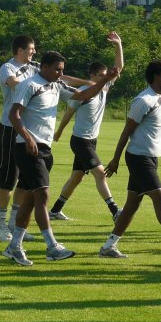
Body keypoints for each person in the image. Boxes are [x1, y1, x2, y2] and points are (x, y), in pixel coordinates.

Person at [3, 51, 120, 266]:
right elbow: (14, 114)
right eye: (57, 69)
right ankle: (52, 246)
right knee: (43, 195)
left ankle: (14, 246)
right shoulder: (29, 85)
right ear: (44, 67)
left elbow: (84, 95)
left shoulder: (57, 85)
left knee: (29, 200)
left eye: (62, 70)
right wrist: (28, 138)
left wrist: (104, 79)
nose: (61, 73)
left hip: (44, 149)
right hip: (29, 148)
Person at [100, 33, 161, 262]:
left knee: (132, 205)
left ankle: (108, 246)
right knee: (160, 199)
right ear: (156, 77)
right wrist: (115, 159)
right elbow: (126, 131)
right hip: (138, 158)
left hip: (149, 157)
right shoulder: (143, 100)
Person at [0, 35, 88, 242]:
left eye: (34, 49)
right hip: (11, 128)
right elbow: (15, 84)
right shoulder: (7, 68)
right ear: (19, 50)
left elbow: (61, 78)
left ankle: (14, 223)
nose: (33, 52)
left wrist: (90, 83)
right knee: (8, 178)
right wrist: (36, 83)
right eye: (30, 49)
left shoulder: (36, 67)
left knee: (24, 182)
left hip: (31, 132)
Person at [49, 32, 125, 222]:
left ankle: (55, 211)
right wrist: (59, 132)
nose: (104, 78)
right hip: (80, 141)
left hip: (92, 141)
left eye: (105, 76)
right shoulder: (82, 92)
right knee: (100, 174)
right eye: (100, 76)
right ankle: (115, 211)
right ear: (92, 76)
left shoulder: (105, 87)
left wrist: (118, 44)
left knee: (76, 177)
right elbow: (68, 114)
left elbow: (119, 67)